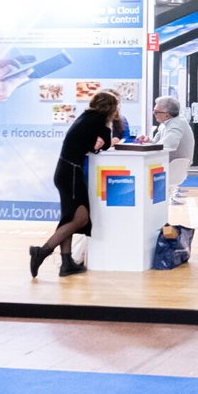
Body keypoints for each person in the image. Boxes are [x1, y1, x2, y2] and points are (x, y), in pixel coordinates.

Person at [29, 90, 118, 279]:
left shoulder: (86, 117)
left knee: (69, 218)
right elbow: (105, 143)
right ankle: (42, 251)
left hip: (65, 171)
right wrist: (108, 128)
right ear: (111, 109)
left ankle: (66, 262)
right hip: (71, 173)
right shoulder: (98, 121)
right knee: (80, 219)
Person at [152, 96, 194, 204]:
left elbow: (169, 144)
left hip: (173, 165)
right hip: (173, 163)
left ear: (167, 114)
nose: (153, 114)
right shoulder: (165, 124)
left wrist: (150, 146)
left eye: (156, 112)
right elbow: (156, 142)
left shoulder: (176, 124)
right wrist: (147, 141)